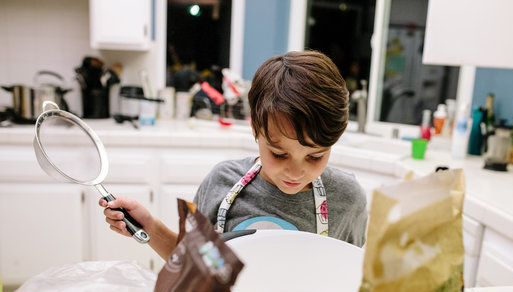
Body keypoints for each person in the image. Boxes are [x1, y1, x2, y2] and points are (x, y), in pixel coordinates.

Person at [99, 50, 368, 259]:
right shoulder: (221, 182)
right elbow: (194, 264)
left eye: (314, 157)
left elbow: (349, 277)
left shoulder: (346, 199)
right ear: (255, 130)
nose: (296, 172)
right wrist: (150, 226)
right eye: (279, 154)